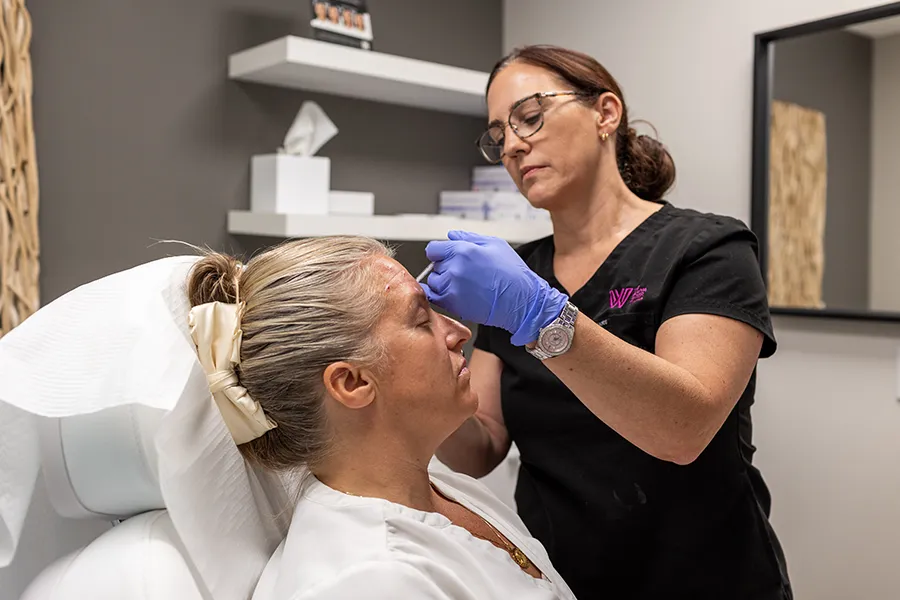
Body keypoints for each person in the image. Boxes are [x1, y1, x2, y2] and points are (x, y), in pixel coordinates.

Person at [423, 45, 792, 600]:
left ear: (605, 113)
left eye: (530, 116)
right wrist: (424, 368)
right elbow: (481, 448)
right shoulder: (517, 274)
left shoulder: (708, 249)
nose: (513, 145)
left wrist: (541, 316)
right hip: (562, 578)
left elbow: (683, 430)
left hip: (707, 577)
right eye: (498, 135)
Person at [185, 236, 577, 600]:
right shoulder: (373, 580)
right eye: (422, 320)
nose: (460, 332)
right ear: (352, 383)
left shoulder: (443, 490)